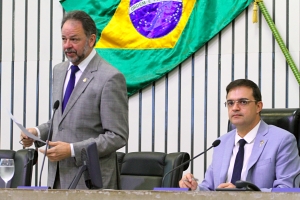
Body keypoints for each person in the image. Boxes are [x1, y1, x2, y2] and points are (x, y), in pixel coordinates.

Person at [20, 10, 128, 189]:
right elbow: (61, 120)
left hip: (90, 183)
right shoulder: (60, 70)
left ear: (91, 40)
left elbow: (116, 136)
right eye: (64, 39)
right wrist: (36, 133)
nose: (67, 45)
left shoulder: (110, 77)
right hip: (56, 180)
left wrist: (71, 150)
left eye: (74, 39)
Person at [179, 79, 300, 192]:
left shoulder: (282, 140)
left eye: (243, 102)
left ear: (258, 106)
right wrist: (195, 188)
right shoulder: (221, 143)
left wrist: (243, 193)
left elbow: (287, 190)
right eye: (230, 103)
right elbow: (210, 188)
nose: (235, 108)